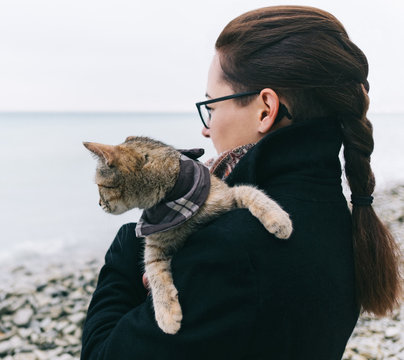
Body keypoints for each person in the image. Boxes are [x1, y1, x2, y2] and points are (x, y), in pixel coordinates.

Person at [81, 5, 402, 360]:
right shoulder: (339, 215)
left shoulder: (230, 250)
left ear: (266, 109)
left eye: (212, 106)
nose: (206, 128)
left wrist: (132, 246)